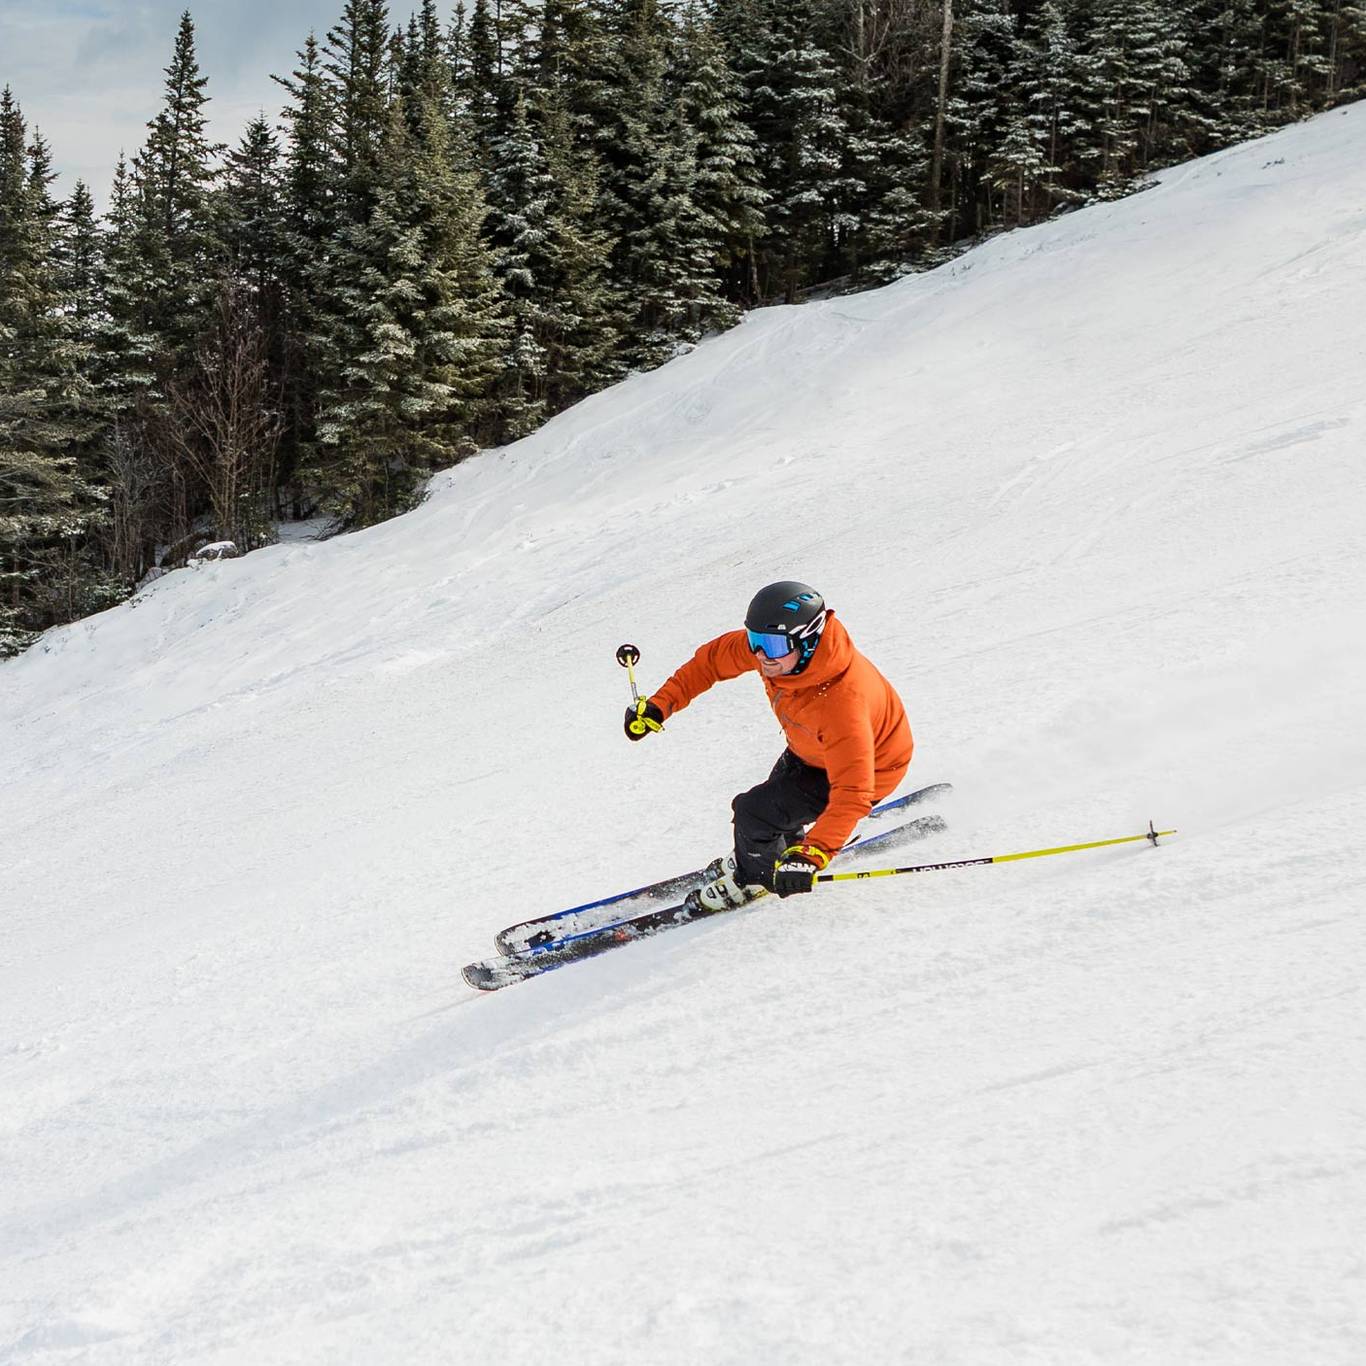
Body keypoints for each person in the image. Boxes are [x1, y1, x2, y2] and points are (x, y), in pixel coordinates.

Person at [624, 581, 914, 912]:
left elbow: (853, 791)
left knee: (754, 812)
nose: (760, 655)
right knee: (775, 802)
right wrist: (661, 705)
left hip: (875, 766)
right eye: (755, 640)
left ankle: (755, 879)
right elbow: (711, 662)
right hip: (812, 749)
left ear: (808, 641)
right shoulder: (781, 658)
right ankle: (773, 847)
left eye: (772, 645)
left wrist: (816, 852)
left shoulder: (843, 702)